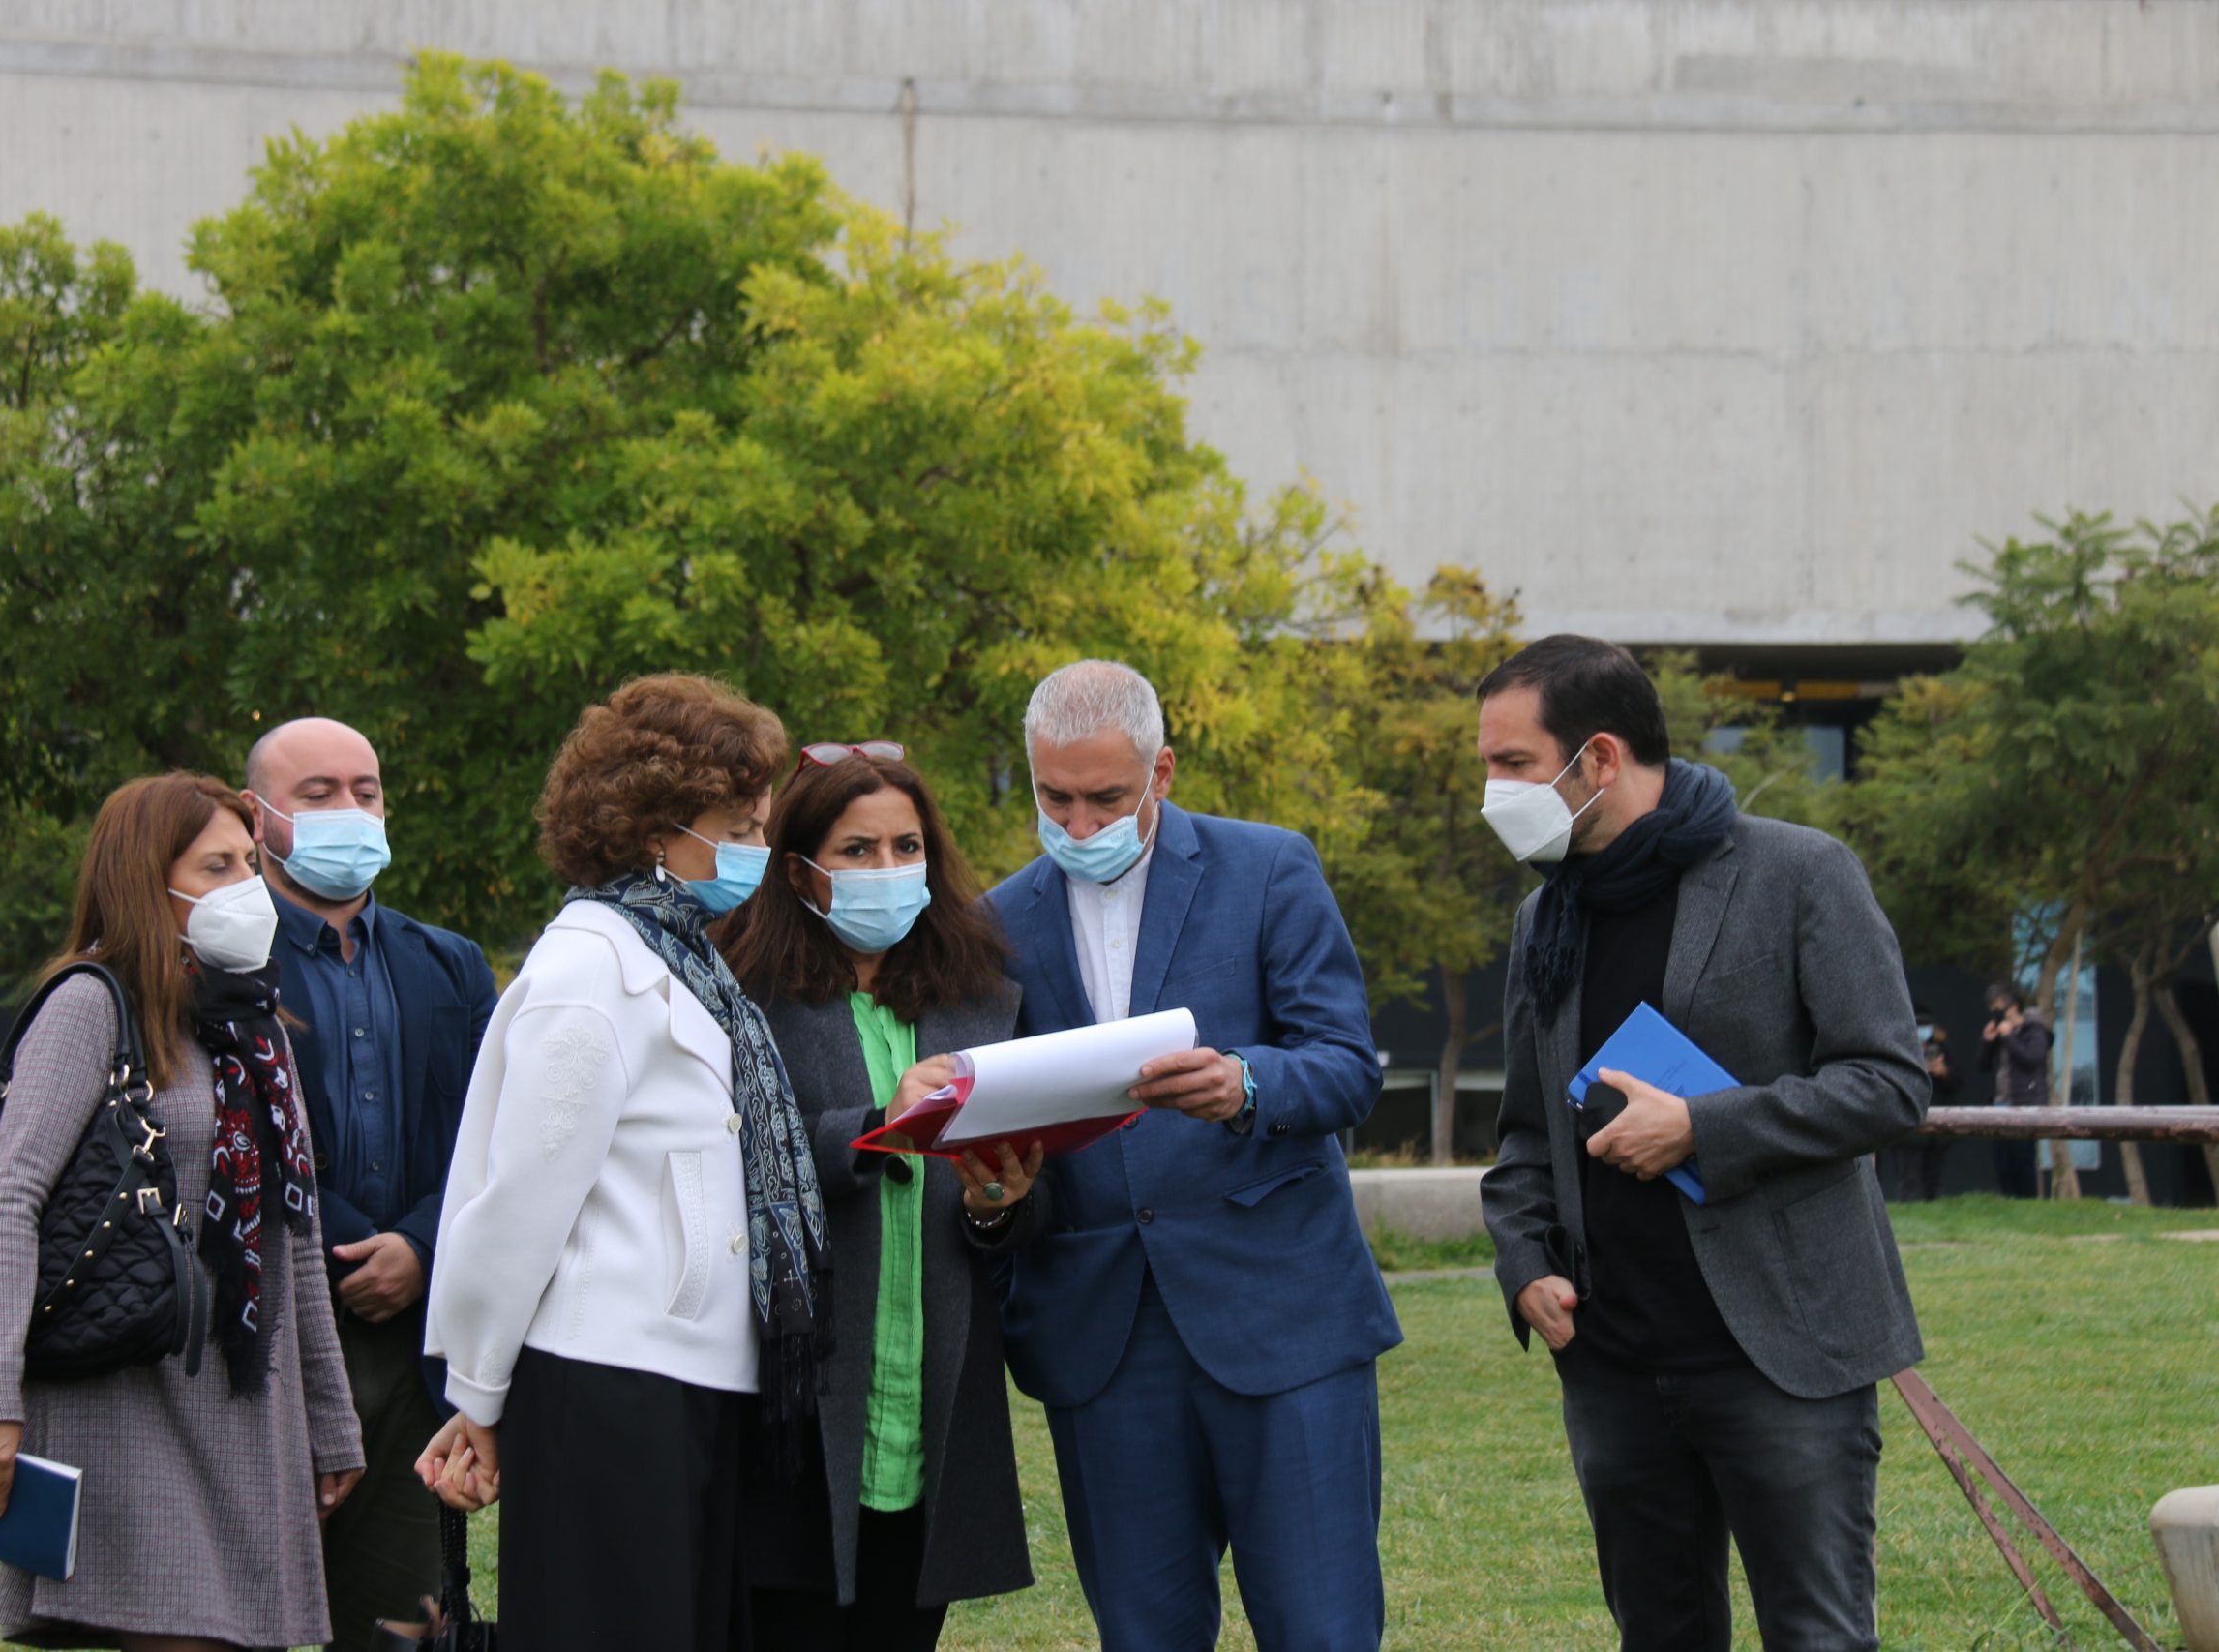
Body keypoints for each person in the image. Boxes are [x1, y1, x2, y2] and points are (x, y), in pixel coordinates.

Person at [1475, 635, 1928, 1652]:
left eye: (1511, 765)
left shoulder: (1800, 873)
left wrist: (1701, 1127)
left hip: (1782, 1355)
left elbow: (1889, 1083)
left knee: (1816, 1635)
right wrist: (1524, 1264)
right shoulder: (1544, 918)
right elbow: (1521, 1137)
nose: (1492, 792)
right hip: (1614, 1366)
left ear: (1596, 759)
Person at [985, 660, 1400, 1652]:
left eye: (1106, 799)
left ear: (1161, 772)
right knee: (1143, 1635)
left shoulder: (1268, 868)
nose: (1079, 826)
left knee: (1322, 1630)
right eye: (1054, 799)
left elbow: (1347, 1066)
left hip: (1281, 1316)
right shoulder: (994, 920)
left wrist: (1247, 1086)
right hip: (1101, 1333)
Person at [414, 675, 827, 1651]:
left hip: (690, 1374)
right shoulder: (593, 967)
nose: (757, 853)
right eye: (738, 825)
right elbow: (519, 1198)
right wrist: (475, 1395)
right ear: (655, 828)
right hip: (607, 1377)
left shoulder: (684, 956)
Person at [0, 773, 364, 1650]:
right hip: (125, 1404)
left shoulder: (259, 1028)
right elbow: (7, 1202)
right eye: (217, 866)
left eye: (250, 864)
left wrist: (330, 1420)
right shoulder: (88, 1006)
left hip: (246, 1408)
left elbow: (295, 1241)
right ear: (148, 879)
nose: (246, 888)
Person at [717, 744, 1040, 1648]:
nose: (888, 870)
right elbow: (723, 1168)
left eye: (907, 847)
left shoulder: (981, 1000)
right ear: (800, 871)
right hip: (795, 1409)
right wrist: (869, 1125)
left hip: (929, 1405)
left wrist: (998, 1202)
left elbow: (1020, 1214)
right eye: (858, 850)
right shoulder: (741, 997)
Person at [242, 716, 497, 1648]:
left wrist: (422, 1246)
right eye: (317, 795)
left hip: (419, 1344)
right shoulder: (219, 959)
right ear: (257, 814)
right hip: (272, 1337)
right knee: (244, 1611)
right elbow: (237, 1139)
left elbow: (495, 1130)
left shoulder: (451, 963)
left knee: (401, 1623)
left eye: (366, 791)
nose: (350, 810)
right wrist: (354, 1243)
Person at [1978, 982, 2054, 1198]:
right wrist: (1987, 1041)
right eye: (1994, 1006)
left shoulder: (2034, 1029)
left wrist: (2010, 1037)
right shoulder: (2000, 1031)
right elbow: (1982, 1065)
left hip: (2025, 1103)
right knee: (2003, 1160)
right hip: (2000, 1102)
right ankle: (2008, 1201)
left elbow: (2033, 1058)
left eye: (2002, 1006)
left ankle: (2027, 1201)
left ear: (2015, 1005)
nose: (1998, 1011)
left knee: (2023, 1159)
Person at [1893, 1004, 1964, 1200]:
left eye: (1925, 1026)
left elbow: (1958, 1080)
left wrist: (1943, 1072)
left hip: (1938, 1124)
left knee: (1933, 1176)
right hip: (1909, 1123)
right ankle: (1910, 1204)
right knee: (1910, 1176)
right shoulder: (1900, 1047)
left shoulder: (1941, 1048)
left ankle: (1933, 1204)